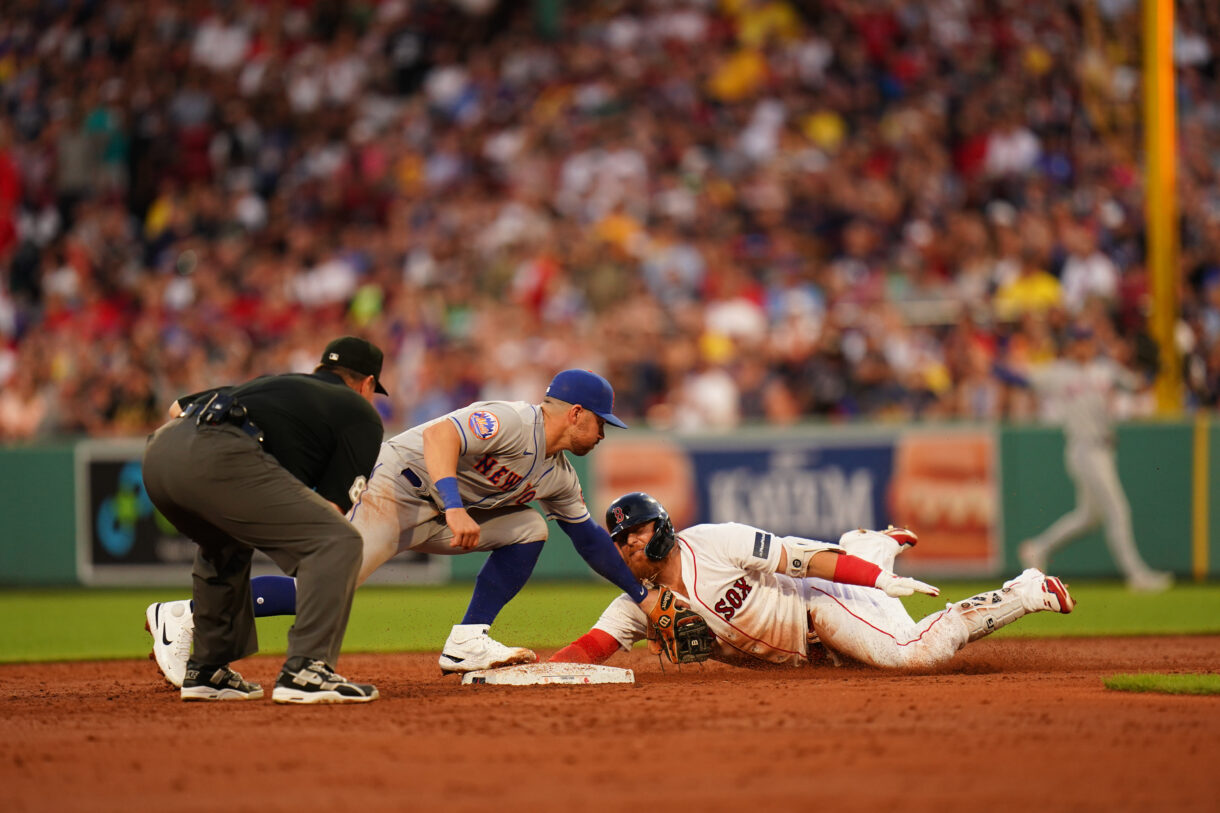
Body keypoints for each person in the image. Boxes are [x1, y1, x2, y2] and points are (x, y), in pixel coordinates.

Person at [146, 368, 665, 683]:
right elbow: (441, 437)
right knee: (320, 590)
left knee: (531, 528)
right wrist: (456, 505)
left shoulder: (559, 477)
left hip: (438, 515)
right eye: (602, 421)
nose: (604, 433)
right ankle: (185, 616)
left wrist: (641, 593)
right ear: (576, 413)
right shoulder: (512, 418)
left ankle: (468, 639)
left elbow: (590, 541)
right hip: (397, 486)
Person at [549, 492, 1075, 670]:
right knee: (900, 640)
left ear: (659, 526)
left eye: (638, 530)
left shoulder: (712, 542)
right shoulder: (635, 605)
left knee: (915, 655)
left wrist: (871, 578)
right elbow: (589, 649)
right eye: (621, 540)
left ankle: (1023, 591)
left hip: (820, 602)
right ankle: (870, 542)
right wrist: (532, 672)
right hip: (819, 650)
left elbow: (800, 559)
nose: (633, 543)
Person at [141, 336, 386, 704]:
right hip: (222, 455)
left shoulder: (276, 383)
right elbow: (331, 511)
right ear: (367, 383)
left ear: (320, 369)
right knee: (340, 541)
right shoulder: (359, 410)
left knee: (224, 542)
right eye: (372, 390)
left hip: (160, 454)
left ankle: (207, 670)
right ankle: (306, 669)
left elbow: (178, 407)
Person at [1012, 326, 1172, 592]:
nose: (1082, 346)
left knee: (1088, 516)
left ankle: (1037, 547)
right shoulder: (1059, 372)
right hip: (1084, 449)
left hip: (1105, 450)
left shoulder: (1105, 369)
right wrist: (993, 368)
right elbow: (1023, 380)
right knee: (1118, 510)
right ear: (1070, 345)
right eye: (1077, 341)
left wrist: (1158, 368)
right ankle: (1137, 575)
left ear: (1092, 343)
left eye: (1086, 341)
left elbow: (1138, 385)